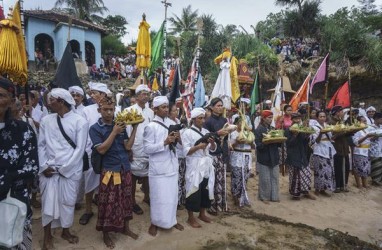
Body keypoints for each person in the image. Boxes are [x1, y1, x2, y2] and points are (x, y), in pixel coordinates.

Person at [38, 88, 88, 250]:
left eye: (51, 100)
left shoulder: (80, 121)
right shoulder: (46, 120)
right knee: (48, 203)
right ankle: (47, 237)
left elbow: (80, 149)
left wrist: (65, 169)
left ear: (61, 101)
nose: (48, 103)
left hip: (70, 170)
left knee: (68, 202)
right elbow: (41, 145)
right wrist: (44, 165)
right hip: (49, 170)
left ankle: (65, 231)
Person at [89, 96, 138, 248]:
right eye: (106, 110)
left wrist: (135, 127)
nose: (109, 113)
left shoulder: (120, 125)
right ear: (99, 110)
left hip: (125, 168)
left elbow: (128, 147)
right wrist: (114, 132)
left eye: (112, 109)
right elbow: (101, 149)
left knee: (126, 198)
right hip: (110, 170)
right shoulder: (95, 128)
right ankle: (106, 233)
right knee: (107, 202)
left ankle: (126, 227)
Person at [0, 77, 39, 250]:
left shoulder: (23, 130)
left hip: (13, 197)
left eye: (1, 95)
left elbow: (31, 166)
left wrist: (6, 179)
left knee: (15, 242)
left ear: (10, 100)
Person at [143, 96, 184, 236]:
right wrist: (164, 143)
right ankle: (155, 222)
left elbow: (180, 147)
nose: (167, 110)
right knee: (158, 197)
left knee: (172, 196)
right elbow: (147, 149)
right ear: (155, 109)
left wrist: (178, 139)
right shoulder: (150, 127)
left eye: (167, 107)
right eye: (163, 107)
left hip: (172, 165)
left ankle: (172, 220)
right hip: (158, 169)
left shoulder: (173, 123)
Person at [79, 82, 110, 225]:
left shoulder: (112, 109)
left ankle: (104, 208)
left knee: (107, 180)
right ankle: (88, 210)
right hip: (92, 151)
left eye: (95, 93)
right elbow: (83, 132)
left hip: (109, 152)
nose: (91, 95)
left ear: (103, 94)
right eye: (91, 93)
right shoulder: (87, 110)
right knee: (90, 181)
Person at [182, 108, 216, 228]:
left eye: (203, 118)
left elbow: (212, 149)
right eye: (199, 118)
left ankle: (202, 213)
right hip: (194, 164)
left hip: (205, 164)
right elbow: (185, 151)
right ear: (193, 119)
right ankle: (190, 217)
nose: (202, 120)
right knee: (193, 189)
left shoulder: (206, 131)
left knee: (205, 188)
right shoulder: (187, 133)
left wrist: (212, 143)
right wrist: (198, 147)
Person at [125, 84, 154, 215]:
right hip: (134, 149)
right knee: (133, 178)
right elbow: (126, 132)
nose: (146, 96)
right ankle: (132, 202)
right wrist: (128, 150)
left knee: (148, 177)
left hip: (148, 149)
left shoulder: (151, 112)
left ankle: (147, 197)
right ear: (137, 96)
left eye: (147, 94)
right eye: (143, 93)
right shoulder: (129, 111)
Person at [203, 98, 230, 215]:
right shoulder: (208, 122)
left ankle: (221, 205)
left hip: (222, 153)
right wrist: (217, 134)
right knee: (212, 180)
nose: (220, 107)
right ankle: (211, 206)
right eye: (218, 105)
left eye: (221, 105)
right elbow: (206, 137)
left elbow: (227, 138)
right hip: (212, 154)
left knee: (222, 180)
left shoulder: (225, 120)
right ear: (212, 107)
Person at [285, 113, 316, 200]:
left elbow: (305, 142)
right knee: (295, 175)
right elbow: (289, 144)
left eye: (299, 119)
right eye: (296, 119)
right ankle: (295, 194)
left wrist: (307, 134)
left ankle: (306, 191)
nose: (298, 121)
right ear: (292, 120)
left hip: (303, 154)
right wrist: (295, 135)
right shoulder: (288, 130)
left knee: (307, 173)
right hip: (293, 155)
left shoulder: (302, 129)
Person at [254, 110, 280, 203]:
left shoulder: (273, 129)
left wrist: (278, 139)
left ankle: (274, 197)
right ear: (263, 118)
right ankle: (264, 197)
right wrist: (266, 142)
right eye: (268, 117)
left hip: (274, 156)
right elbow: (258, 145)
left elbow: (278, 144)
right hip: (264, 156)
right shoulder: (258, 130)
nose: (270, 119)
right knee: (265, 179)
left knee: (275, 177)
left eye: (271, 117)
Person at [229, 116, 255, 207]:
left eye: (244, 123)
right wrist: (237, 141)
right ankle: (235, 195)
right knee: (237, 176)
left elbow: (254, 146)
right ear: (237, 123)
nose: (243, 124)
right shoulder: (234, 133)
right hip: (237, 156)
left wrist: (250, 141)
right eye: (241, 122)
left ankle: (242, 195)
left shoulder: (249, 133)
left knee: (246, 176)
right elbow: (230, 146)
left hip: (247, 157)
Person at [309, 110, 336, 196]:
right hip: (319, 150)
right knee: (319, 170)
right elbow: (315, 140)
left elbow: (331, 138)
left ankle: (324, 189)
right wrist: (321, 133)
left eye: (324, 116)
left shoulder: (327, 126)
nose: (322, 118)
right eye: (320, 116)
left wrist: (340, 133)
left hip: (328, 149)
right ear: (317, 118)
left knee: (328, 171)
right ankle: (317, 188)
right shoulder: (314, 127)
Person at [168, 102, 186, 209]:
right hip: (174, 153)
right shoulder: (168, 123)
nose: (176, 112)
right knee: (176, 179)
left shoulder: (178, 121)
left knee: (181, 178)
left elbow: (180, 140)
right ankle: (176, 201)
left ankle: (181, 199)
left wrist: (180, 139)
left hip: (181, 153)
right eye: (174, 110)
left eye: (177, 110)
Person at [330, 105, 351, 193]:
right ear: (337, 112)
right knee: (337, 167)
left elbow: (345, 134)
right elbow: (332, 137)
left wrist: (350, 132)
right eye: (341, 111)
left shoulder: (342, 122)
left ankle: (344, 185)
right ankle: (337, 186)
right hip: (337, 148)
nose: (342, 113)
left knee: (346, 167)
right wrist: (343, 132)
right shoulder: (331, 122)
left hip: (345, 147)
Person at [352, 116, 376, 189]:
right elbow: (356, 142)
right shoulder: (356, 131)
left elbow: (369, 140)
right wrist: (366, 137)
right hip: (359, 151)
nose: (365, 122)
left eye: (365, 121)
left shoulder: (366, 130)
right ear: (359, 122)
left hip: (366, 151)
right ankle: (359, 184)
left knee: (365, 168)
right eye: (363, 121)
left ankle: (364, 184)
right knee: (358, 168)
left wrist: (375, 137)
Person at [370, 112, 382, 185]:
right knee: (376, 165)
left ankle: (379, 180)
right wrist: (377, 135)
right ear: (376, 119)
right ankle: (375, 181)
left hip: (380, 148)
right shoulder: (370, 127)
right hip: (374, 150)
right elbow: (370, 139)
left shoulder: (381, 127)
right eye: (381, 119)